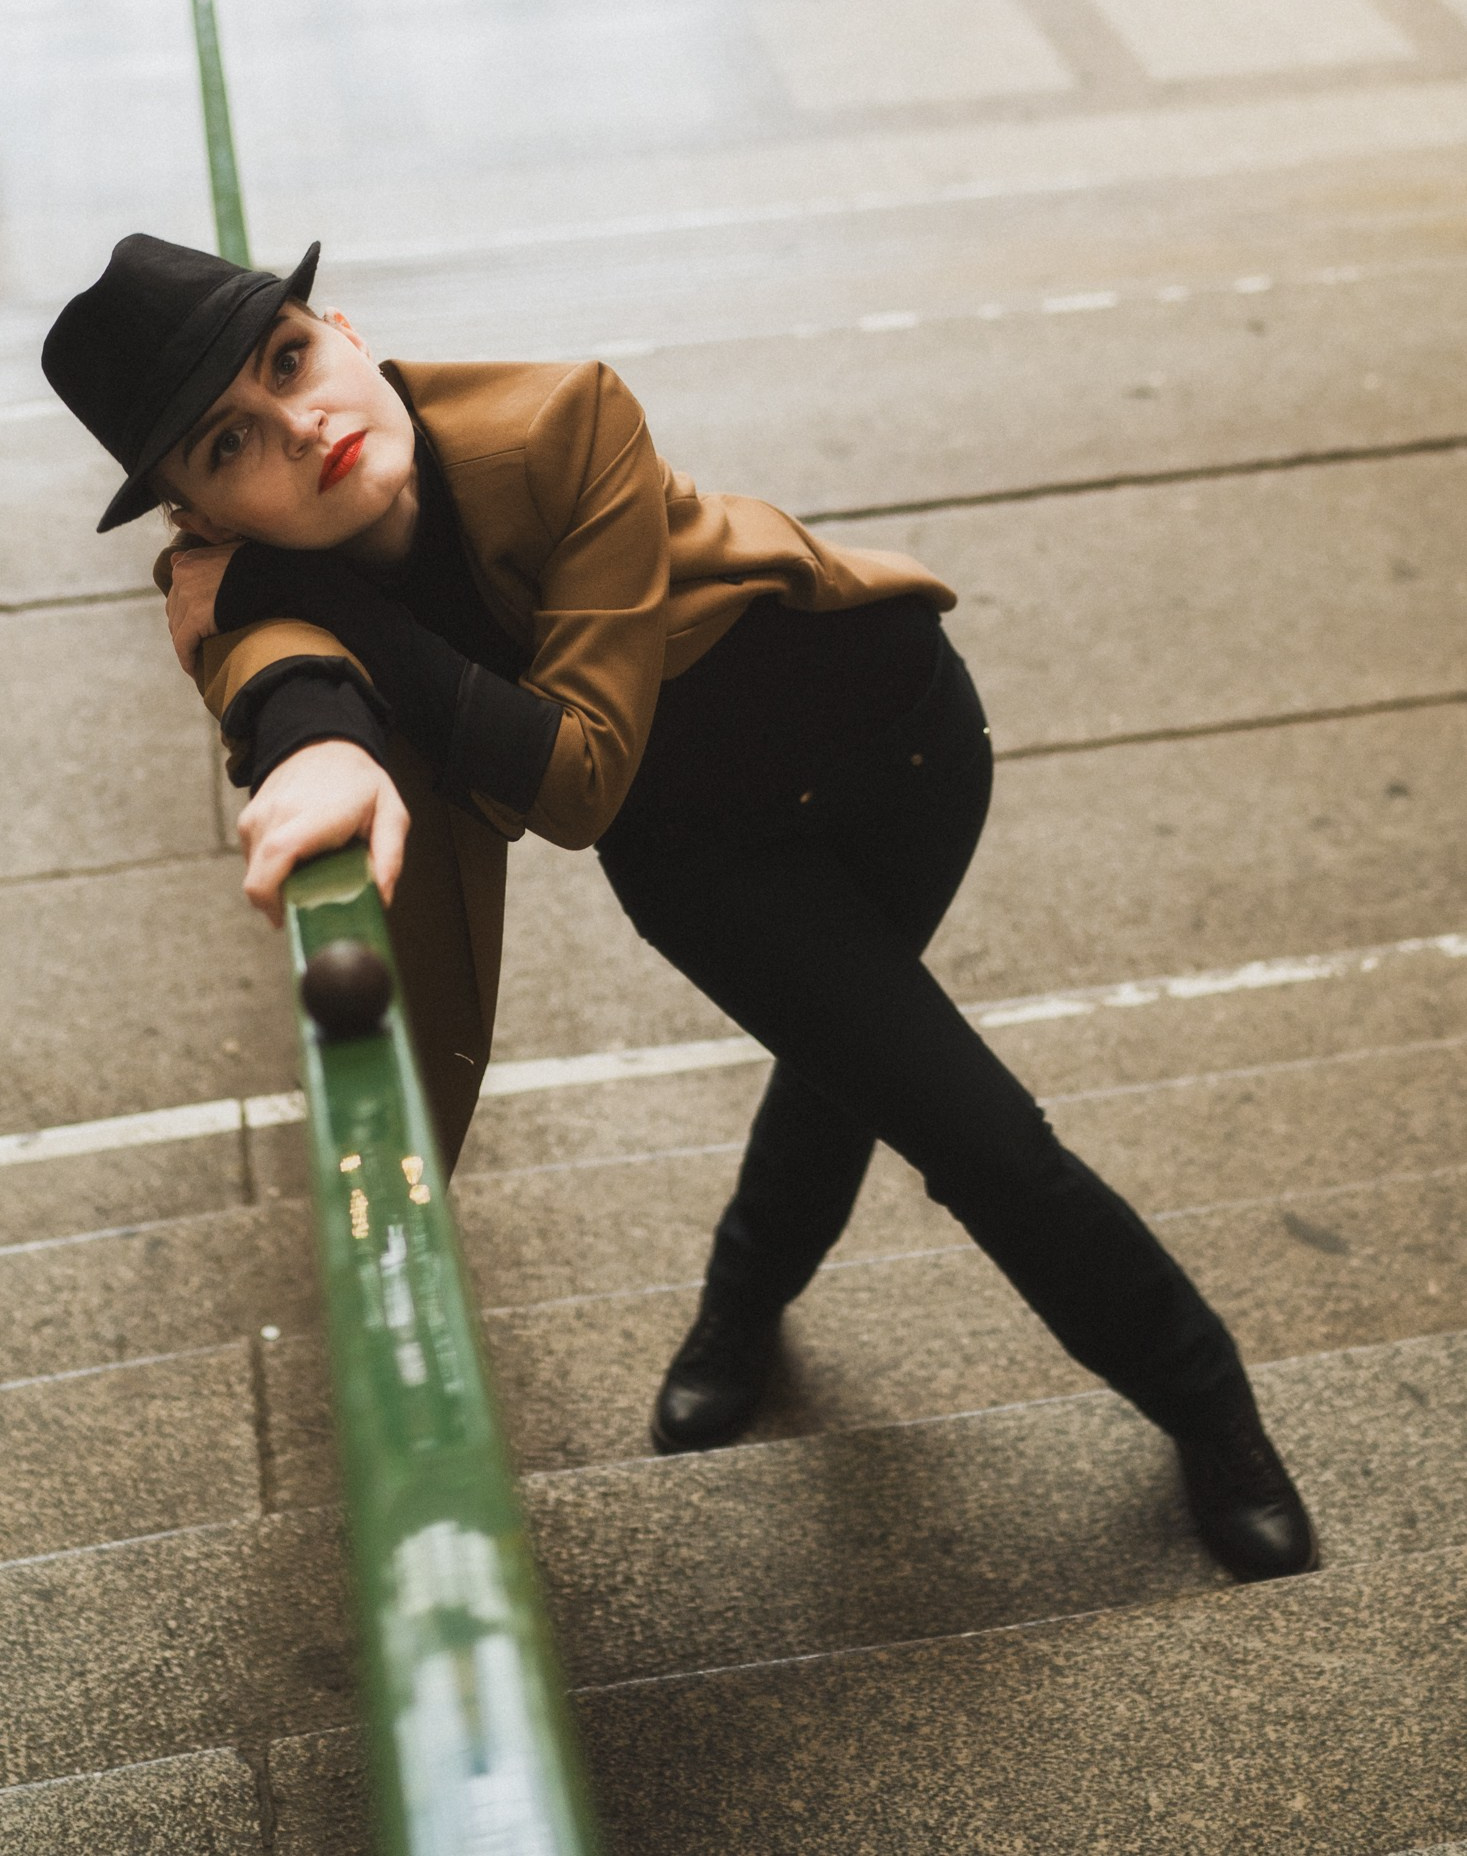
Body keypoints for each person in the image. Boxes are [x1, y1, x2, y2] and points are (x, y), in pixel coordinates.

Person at [42, 232, 1317, 1584]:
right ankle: (767, 1305)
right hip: (697, 852)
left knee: (909, 1091)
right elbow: (276, 665)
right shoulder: (238, 588)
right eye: (230, 442)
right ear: (201, 513)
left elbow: (574, 773)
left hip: (892, 745)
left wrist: (326, 600)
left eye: (291, 360)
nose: (299, 424)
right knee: (918, 1089)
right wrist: (315, 731)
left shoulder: (562, 418)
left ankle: (1195, 1406)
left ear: (343, 329)